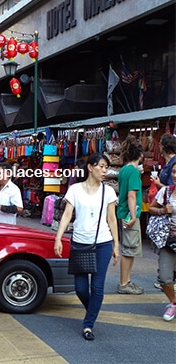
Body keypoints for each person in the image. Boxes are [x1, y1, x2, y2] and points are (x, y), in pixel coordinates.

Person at [54, 152, 119, 340]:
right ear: (90, 167)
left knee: (97, 287)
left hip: (102, 243)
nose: (104, 170)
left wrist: (116, 244)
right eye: (101, 166)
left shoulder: (108, 191)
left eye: (106, 167)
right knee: (81, 288)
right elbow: (67, 215)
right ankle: (93, 309)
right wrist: (58, 238)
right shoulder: (74, 189)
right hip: (79, 242)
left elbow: (112, 218)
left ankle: (88, 324)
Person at [148, 160, 176, 321]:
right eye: (173, 172)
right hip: (169, 240)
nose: (175, 175)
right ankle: (173, 303)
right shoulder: (166, 191)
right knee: (165, 278)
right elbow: (152, 208)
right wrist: (163, 210)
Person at [117, 135, 144, 294]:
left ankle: (126, 281)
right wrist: (134, 216)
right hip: (129, 214)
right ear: (140, 154)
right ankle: (124, 283)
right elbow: (131, 195)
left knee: (129, 248)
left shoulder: (124, 170)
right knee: (129, 249)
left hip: (123, 212)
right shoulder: (133, 171)